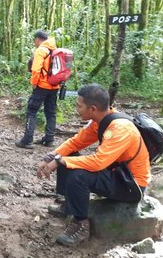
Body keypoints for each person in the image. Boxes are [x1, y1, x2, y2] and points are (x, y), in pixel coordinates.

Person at [36, 83, 151, 246]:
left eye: (79, 105)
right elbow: (76, 142)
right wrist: (51, 157)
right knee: (67, 156)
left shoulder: (120, 129)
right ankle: (69, 207)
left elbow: (98, 162)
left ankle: (80, 225)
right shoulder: (100, 121)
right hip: (117, 174)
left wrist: (60, 161)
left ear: (93, 109)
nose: (77, 108)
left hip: (131, 185)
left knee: (77, 174)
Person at [15, 30, 59, 149]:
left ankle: (27, 140)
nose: (35, 42)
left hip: (42, 86)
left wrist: (34, 84)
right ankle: (49, 139)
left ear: (38, 39)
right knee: (51, 112)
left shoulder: (41, 50)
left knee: (32, 111)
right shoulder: (55, 49)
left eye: (35, 40)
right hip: (55, 86)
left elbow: (36, 70)